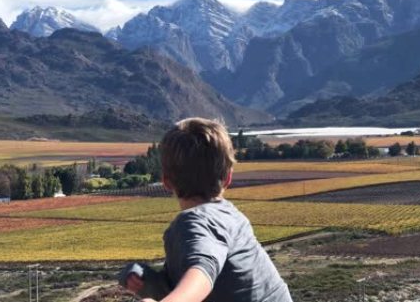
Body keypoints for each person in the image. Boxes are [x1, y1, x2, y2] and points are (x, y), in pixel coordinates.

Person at [119, 117, 292, 302]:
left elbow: (201, 273)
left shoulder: (197, 221)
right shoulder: (231, 216)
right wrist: (151, 281)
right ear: (228, 178)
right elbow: (206, 283)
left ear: (166, 182)